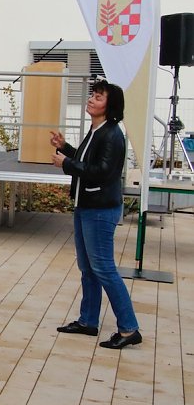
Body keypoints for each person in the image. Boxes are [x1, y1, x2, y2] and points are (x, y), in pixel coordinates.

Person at [51, 80, 141, 350]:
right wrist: (66, 148)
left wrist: (66, 163)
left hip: (100, 210)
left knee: (104, 268)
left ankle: (128, 328)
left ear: (109, 106)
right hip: (86, 206)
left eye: (98, 97)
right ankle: (88, 320)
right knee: (88, 268)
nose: (91, 99)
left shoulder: (113, 134)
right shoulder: (97, 129)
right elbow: (88, 159)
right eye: (92, 95)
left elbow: (102, 172)